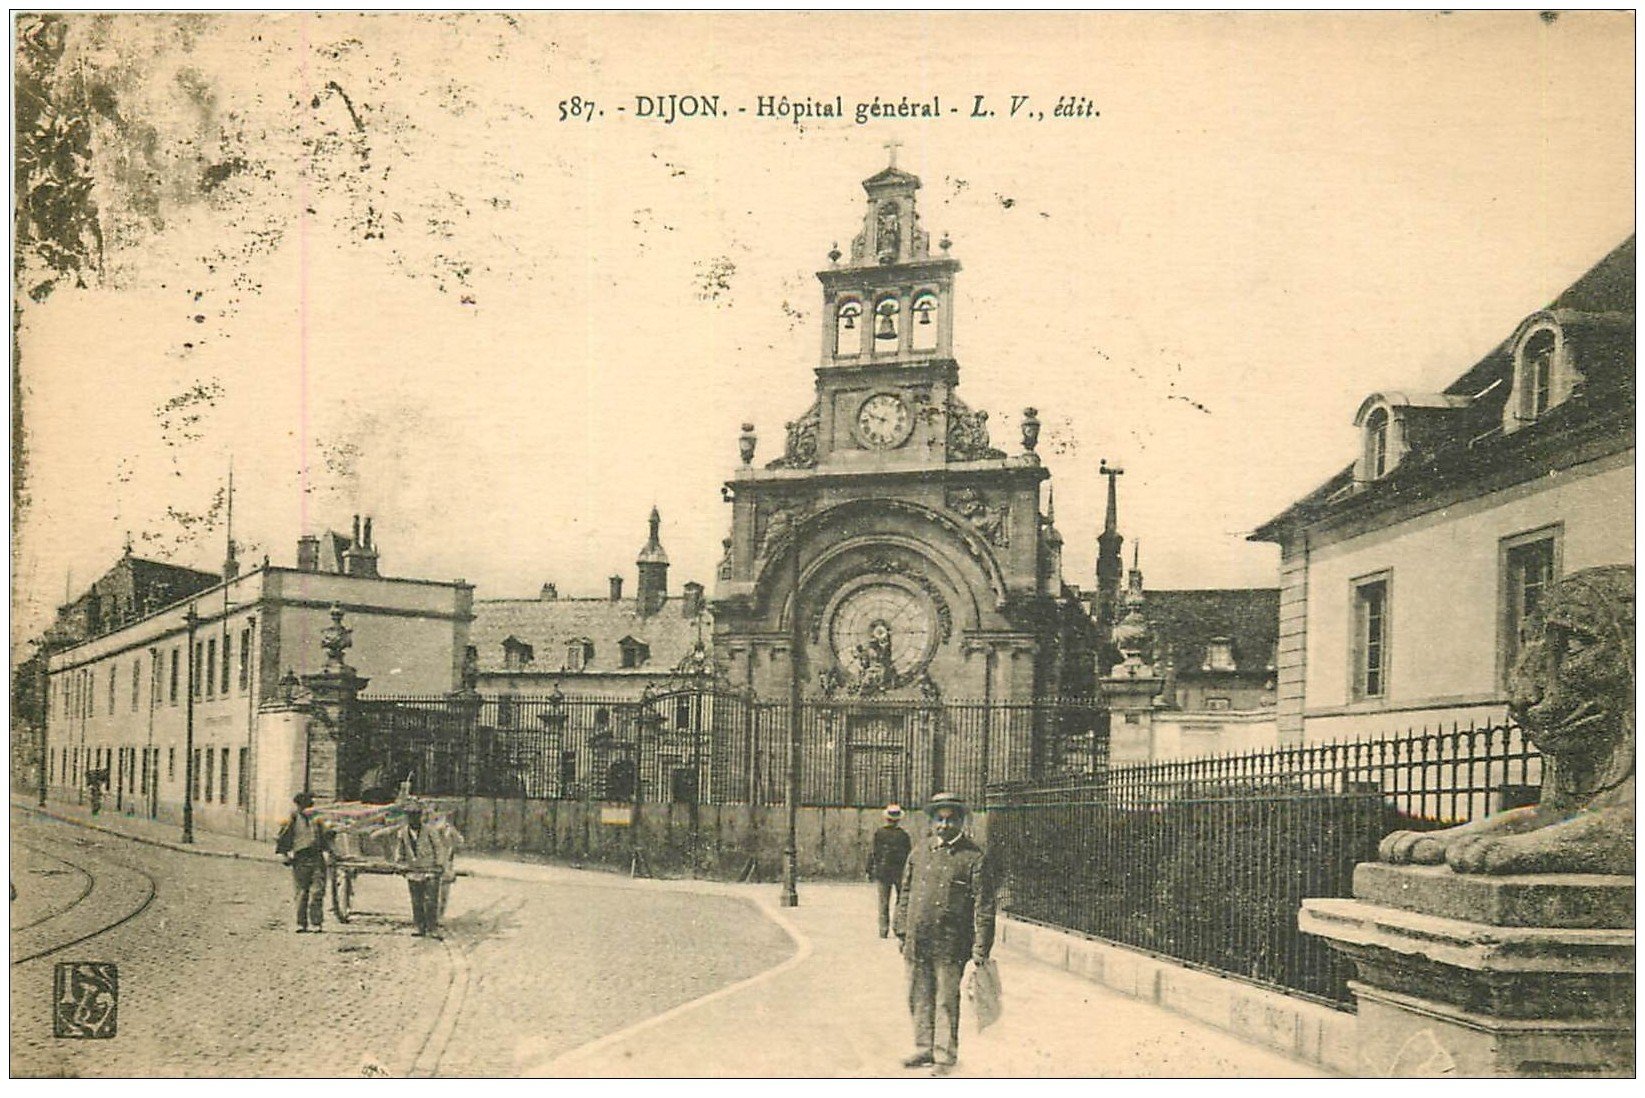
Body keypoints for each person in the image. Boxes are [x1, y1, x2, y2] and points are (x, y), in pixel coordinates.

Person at [893, 791, 996, 1076]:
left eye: (951, 820)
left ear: (961, 821)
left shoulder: (974, 857)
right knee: (918, 996)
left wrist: (981, 948)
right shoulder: (920, 852)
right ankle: (924, 1046)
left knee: (945, 1000)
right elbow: (906, 892)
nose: (944, 825)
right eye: (939, 819)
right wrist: (900, 929)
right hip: (917, 938)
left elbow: (984, 905)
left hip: (951, 943)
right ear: (932, 821)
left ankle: (944, 1056)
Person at [371, 800, 462, 938]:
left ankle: (431, 928)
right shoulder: (403, 832)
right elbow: (400, 850)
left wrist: (439, 865)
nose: (413, 819)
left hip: (430, 869)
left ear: (420, 817)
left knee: (431, 900)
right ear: (407, 817)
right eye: (410, 816)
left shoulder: (430, 830)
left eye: (415, 816)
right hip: (413, 871)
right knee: (416, 900)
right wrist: (399, 864)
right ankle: (419, 927)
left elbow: (438, 848)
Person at [274, 791, 332, 933]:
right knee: (301, 893)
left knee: (317, 892)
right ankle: (301, 923)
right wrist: (284, 854)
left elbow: (327, 836)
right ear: (298, 806)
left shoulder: (318, 819)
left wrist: (331, 851)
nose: (305, 809)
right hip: (300, 859)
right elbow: (283, 836)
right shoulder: (293, 818)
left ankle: (316, 923)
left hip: (317, 858)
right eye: (302, 806)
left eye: (308, 806)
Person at [867, 803, 913, 938]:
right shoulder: (904, 835)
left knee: (883, 901)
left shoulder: (879, 833)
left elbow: (873, 853)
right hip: (899, 871)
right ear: (899, 819)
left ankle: (883, 929)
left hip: (883, 871)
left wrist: (869, 869)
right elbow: (908, 855)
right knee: (900, 899)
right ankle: (897, 926)